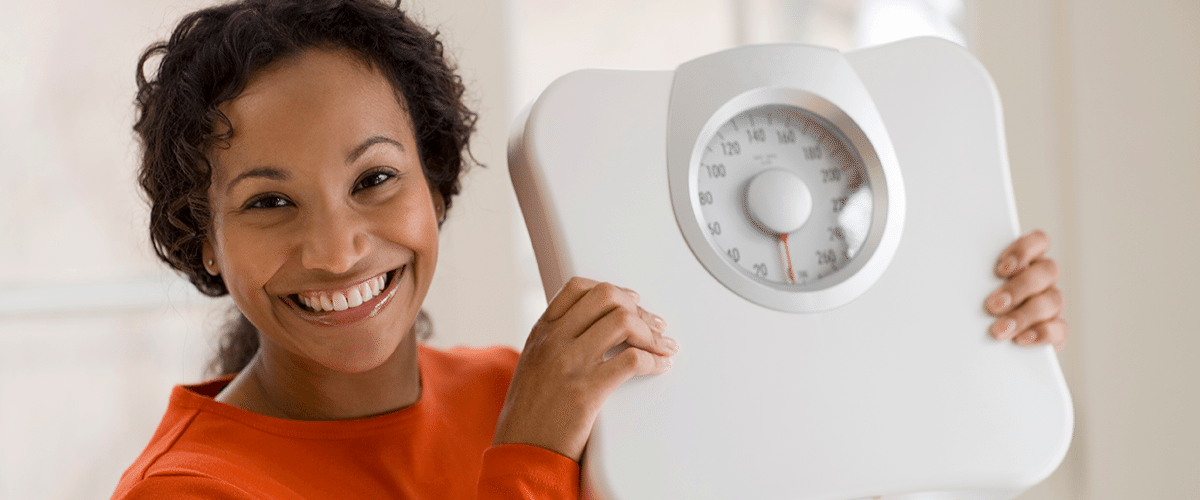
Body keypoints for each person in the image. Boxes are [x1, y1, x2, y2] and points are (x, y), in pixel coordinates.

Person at [111, 0, 1068, 498]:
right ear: (202, 236)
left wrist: (962, 323)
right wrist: (528, 455)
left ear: (436, 182)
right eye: (271, 201)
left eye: (374, 180)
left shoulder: (539, 394)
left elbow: (810, 465)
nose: (337, 246)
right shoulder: (190, 493)